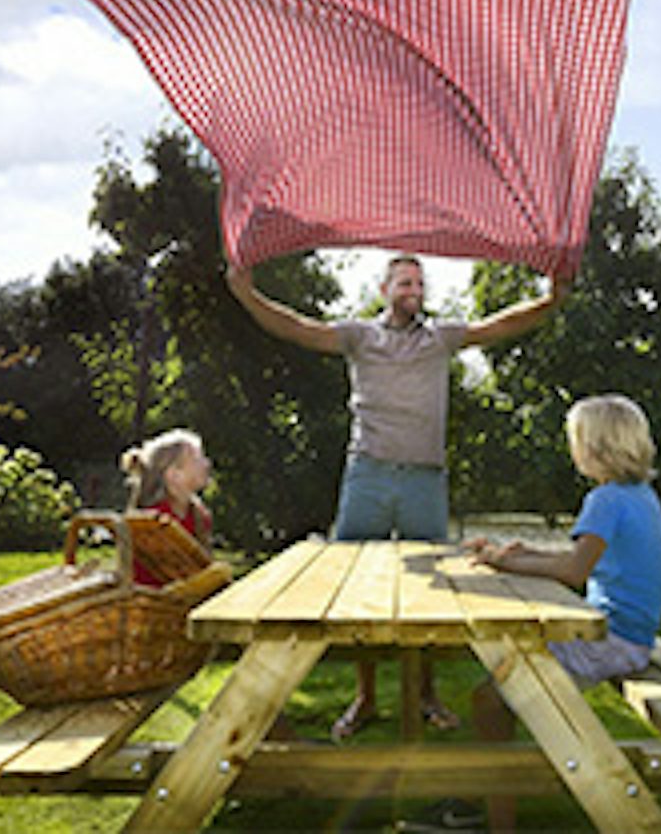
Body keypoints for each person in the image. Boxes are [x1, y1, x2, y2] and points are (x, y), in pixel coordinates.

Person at [226, 254, 569, 741]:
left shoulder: (441, 338)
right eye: (405, 281)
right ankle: (364, 697)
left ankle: (425, 695)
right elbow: (298, 328)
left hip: (424, 481)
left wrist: (550, 299)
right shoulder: (359, 337)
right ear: (384, 288)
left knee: (433, 597)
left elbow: (500, 325)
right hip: (367, 475)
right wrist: (247, 295)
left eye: (420, 283)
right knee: (352, 590)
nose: (415, 289)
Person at [465, 393, 661, 832]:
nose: (573, 450)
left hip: (612, 641)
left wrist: (504, 562)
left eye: (576, 441)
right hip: (632, 636)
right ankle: (486, 791)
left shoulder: (605, 499)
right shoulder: (640, 495)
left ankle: (495, 814)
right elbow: (587, 556)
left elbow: (574, 571)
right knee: (510, 669)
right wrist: (524, 554)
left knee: (490, 698)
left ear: (594, 448)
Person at [121, 428, 215, 586]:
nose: (207, 464)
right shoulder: (155, 521)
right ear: (174, 475)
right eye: (198, 459)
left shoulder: (199, 515)